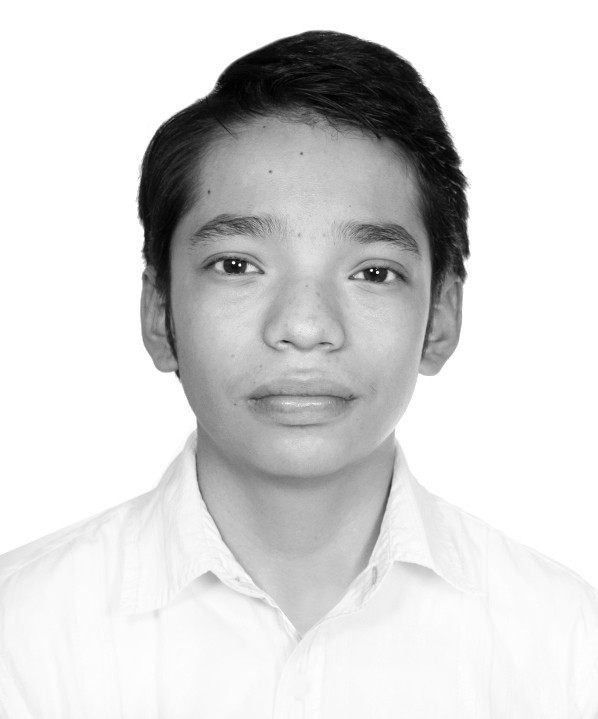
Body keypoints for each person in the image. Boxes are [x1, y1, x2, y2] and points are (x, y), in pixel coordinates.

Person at [0, 29, 596, 718]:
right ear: (160, 313)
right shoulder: (21, 635)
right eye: (237, 264)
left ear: (439, 318)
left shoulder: (567, 647)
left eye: (373, 272)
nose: (306, 325)